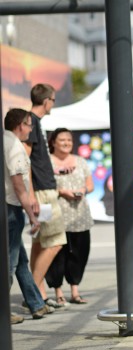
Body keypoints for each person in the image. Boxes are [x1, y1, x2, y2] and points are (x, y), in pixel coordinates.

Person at [3, 108, 54, 323]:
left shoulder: (5, 140)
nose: (31, 129)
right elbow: (18, 186)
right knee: (10, 262)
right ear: (20, 125)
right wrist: (32, 216)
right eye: (29, 125)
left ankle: (36, 304)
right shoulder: (14, 145)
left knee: (20, 260)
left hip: (9, 206)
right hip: (11, 207)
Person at [25, 83, 67, 308]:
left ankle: (37, 293)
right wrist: (32, 195)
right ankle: (32, 292)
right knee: (55, 242)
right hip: (42, 192)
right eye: (53, 99)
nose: (53, 103)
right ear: (46, 101)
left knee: (40, 243)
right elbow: (26, 161)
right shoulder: (31, 122)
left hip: (42, 190)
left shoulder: (34, 122)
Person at [44, 128, 94, 305]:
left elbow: (90, 185)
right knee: (57, 254)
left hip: (80, 215)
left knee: (80, 253)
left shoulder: (80, 161)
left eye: (69, 140)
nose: (66, 143)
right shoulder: (47, 162)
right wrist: (62, 192)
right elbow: (42, 186)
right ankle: (58, 292)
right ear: (53, 142)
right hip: (57, 215)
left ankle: (75, 290)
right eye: (62, 140)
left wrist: (83, 190)